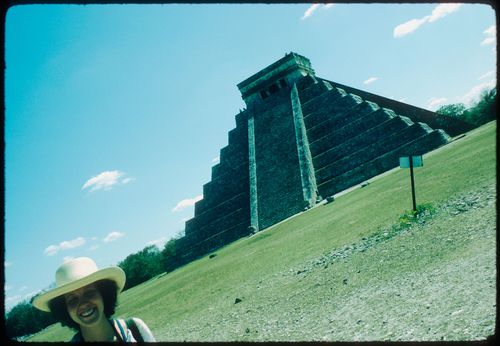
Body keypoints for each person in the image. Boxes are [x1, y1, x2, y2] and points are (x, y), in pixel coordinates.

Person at [32, 257, 156, 342]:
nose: (83, 303)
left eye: (89, 293)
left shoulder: (135, 329)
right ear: (65, 310)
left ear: (104, 294)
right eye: (72, 299)